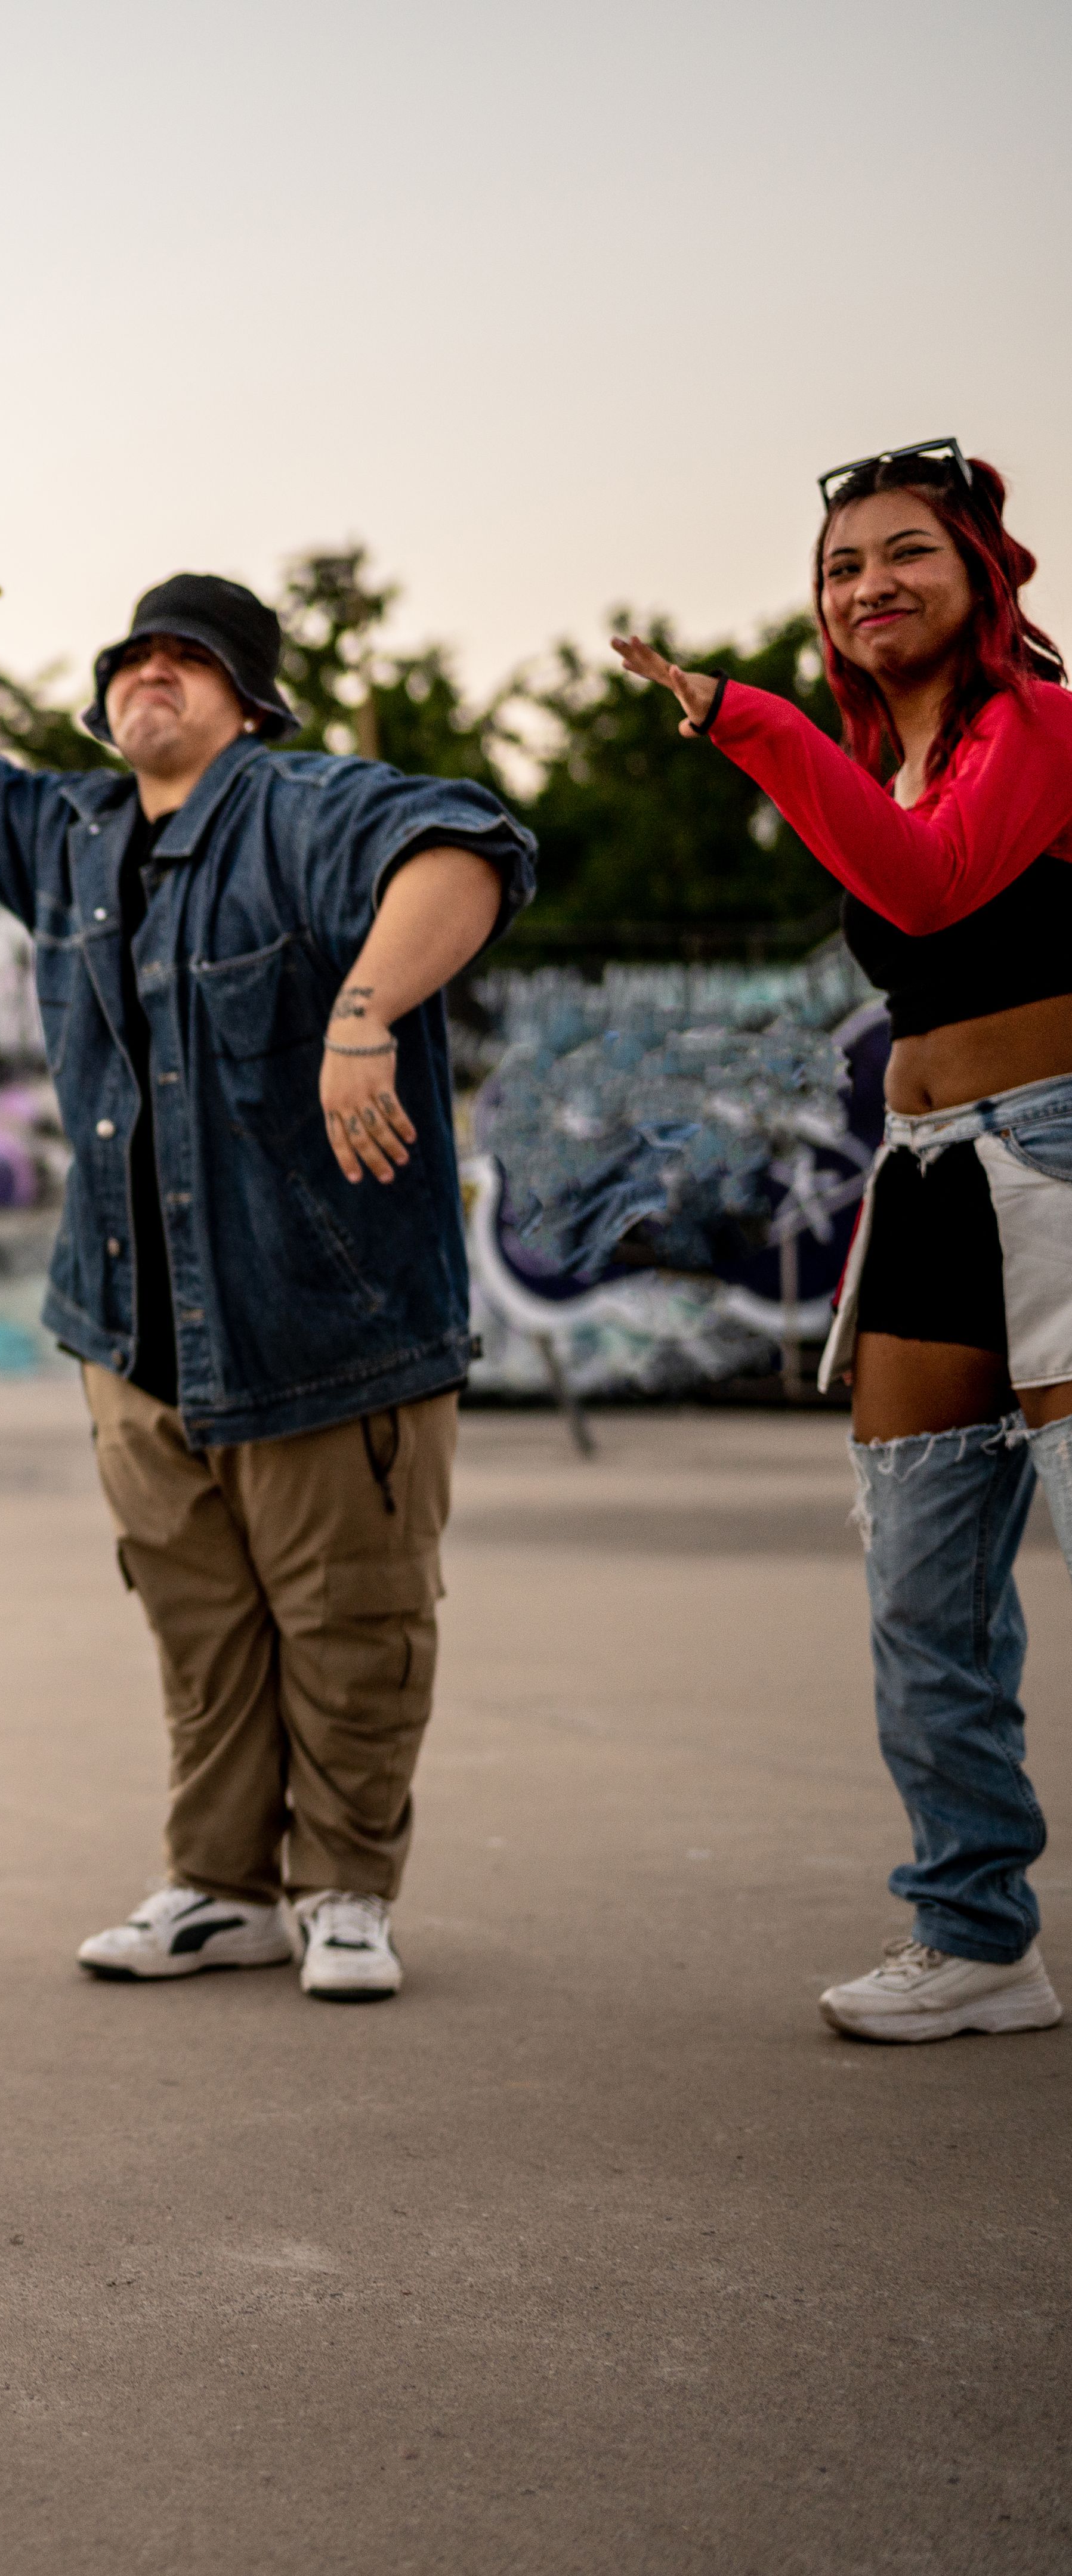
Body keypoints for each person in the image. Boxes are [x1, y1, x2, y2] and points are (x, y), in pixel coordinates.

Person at [0, 543, 536, 2004]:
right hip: (132, 1333)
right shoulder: (69, 834)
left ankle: (346, 1890)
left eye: (186, 656)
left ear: (250, 702)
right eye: (128, 659)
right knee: (198, 1628)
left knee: (352, 1625)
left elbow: (467, 851)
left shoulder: (310, 807)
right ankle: (219, 1888)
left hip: (321, 1321)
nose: (146, 672)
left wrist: (362, 1012)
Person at [614, 442, 1072, 2045]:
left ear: (981, 579)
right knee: (919, 1589)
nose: (866, 584)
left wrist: (748, 725)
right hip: (926, 1179)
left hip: (1057, 1165)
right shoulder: (892, 763)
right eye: (838, 567)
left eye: (903, 555)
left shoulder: (1037, 729)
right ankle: (972, 1938)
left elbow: (937, 897)